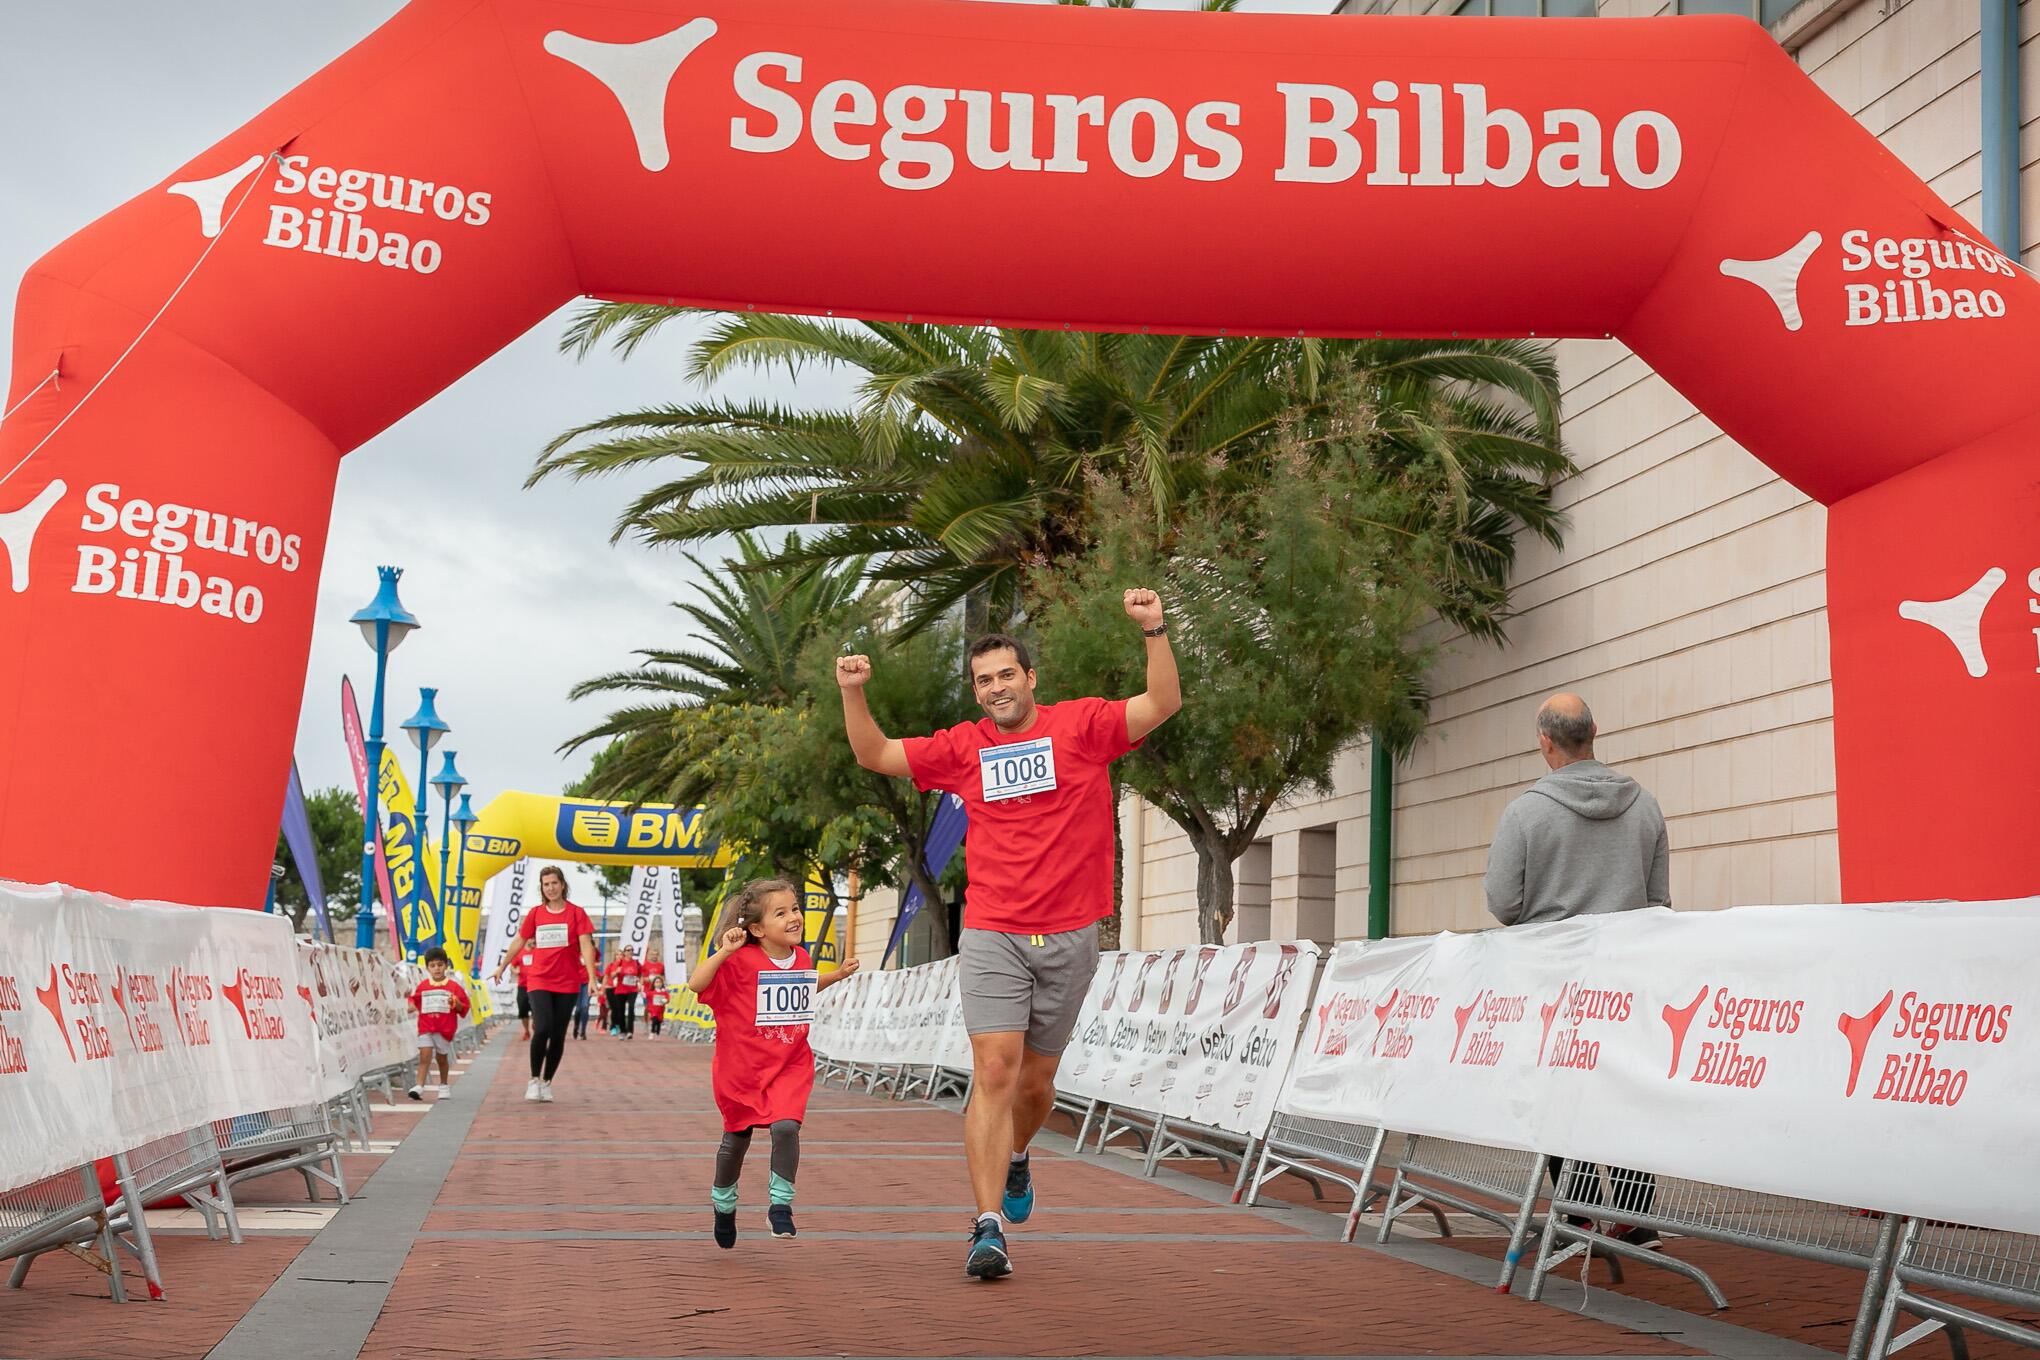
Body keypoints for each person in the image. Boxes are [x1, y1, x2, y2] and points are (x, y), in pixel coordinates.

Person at [836, 588, 1180, 1280]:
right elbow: (873, 752)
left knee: (1036, 1083)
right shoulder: (965, 747)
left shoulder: (1081, 727)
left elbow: (1161, 704)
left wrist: (1155, 631)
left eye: (1004, 675)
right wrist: (852, 691)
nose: (995, 688)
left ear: (1030, 679)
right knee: (994, 1069)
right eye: (982, 680)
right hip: (992, 928)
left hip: (1071, 931)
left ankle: (1019, 1156)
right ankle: (987, 1227)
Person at [1483, 692, 1669, 1247]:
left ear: (1545, 742)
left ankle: (1579, 1211)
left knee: (1561, 1089)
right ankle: (1637, 1214)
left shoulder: (1525, 812)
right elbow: (1658, 900)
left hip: (1553, 977)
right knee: (1624, 1087)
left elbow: (1503, 901)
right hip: (1627, 975)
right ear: (1594, 731)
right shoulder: (1645, 806)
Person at [690, 878, 860, 1248]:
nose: (793, 917)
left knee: (786, 1128)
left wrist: (837, 976)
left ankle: (780, 1204)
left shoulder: (801, 957)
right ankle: (723, 1203)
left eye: (795, 909)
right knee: (736, 1140)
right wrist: (722, 952)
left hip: (789, 1063)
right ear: (756, 928)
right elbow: (696, 984)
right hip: (742, 1070)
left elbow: (802, 985)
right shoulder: (739, 962)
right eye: (780, 913)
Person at [490, 865, 600, 1102]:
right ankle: (533, 1080)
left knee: (558, 1034)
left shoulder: (576, 913)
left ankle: (547, 1081)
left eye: (554, 883)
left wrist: (591, 978)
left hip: (568, 982)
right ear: (542, 888)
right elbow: (520, 940)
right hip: (539, 979)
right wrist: (503, 965)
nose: (550, 888)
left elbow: (586, 946)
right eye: (546, 884)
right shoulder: (536, 914)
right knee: (542, 1028)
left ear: (562, 885)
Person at [407, 947, 471, 1100]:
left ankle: (443, 1085)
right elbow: (414, 999)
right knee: (425, 1055)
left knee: (442, 1059)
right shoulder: (423, 986)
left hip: (444, 1029)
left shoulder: (454, 987)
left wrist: (456, 1003)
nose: (437, 969)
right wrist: (411, 1005)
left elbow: (464, 1007)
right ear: (428, 967)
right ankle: (419, 1086)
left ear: (446, 965)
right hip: (426, 1027)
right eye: (433, 965)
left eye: (440, 965)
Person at [606, 945, 644, 1039]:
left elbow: (641, 975)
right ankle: (622, 1031)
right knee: (621, 1010)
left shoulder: (636, 963)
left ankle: (630, 1031)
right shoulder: (620, 962)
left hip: (632, 989)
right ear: (625, 952)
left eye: (632, 950)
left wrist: (640, 984)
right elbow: (612, 975)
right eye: (628, 950)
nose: (630, 952)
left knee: (631, 1008)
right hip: (621, 989)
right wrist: (617, 972)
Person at [513, 939, 536, 1042]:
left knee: (536, 1008)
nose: (532, 941)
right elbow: (512, 966)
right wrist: (515, 971)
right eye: (531, 938)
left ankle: (536, 1024)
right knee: (523, 1009)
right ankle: (526, 1030)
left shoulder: (537, 951)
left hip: (535, 985)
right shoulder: (520, 953)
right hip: (522, 985)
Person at [645, 973, 669, 1037]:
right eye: (656, 982)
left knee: (659, 1021)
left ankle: (657, 1031)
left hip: (660, 1010)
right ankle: (652, 1032)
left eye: (659, 982)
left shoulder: (664, 992)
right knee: (654, 1020)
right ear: (654, 984)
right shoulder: (651, 992)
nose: (658, 984)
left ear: (662, 983)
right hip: (653, 1010)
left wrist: (666, 1000)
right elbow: (647, 996)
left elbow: (667, 998)